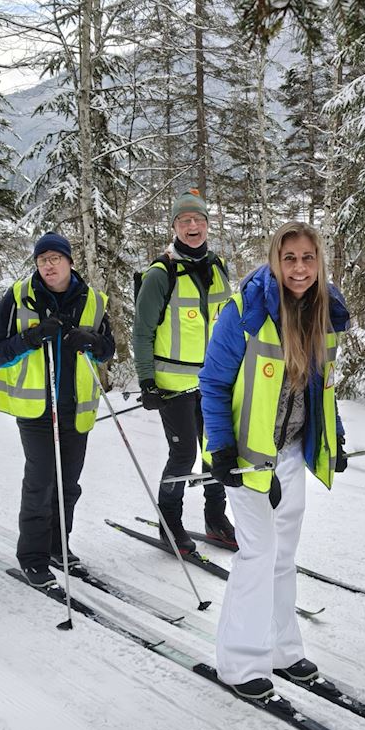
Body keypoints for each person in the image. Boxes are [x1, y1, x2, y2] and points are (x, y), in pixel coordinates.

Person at [199, 221, 350, 700]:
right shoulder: (245, 310)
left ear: (319, 261)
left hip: (290, 452)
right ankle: (240, 663)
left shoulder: (325, 311)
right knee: (259, 553)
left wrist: (334, 436)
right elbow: (213, 382)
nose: (299, 268)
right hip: (246, 455)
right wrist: (220, 447)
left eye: (308, 258)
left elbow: (322, 388)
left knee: (283, 555)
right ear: (274, 261)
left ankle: (284, 649)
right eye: (289, 258)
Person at [0, 232, 116, 588]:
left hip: (76, 410)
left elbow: (108, 349)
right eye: (42, 259)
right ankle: (32, 557)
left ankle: (58, 547)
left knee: (68, 486)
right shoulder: (18, 297)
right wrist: (29, 339)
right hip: (36, 411)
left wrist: (91, 341)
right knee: (41, 484)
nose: (48, 265)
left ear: (70, 262)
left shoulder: (92, 301)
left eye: (55, 258)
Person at [133, 190, 235, 554]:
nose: (193, 226)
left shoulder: (218, 267)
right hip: (172, 385)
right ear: (175, 226)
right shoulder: (161, 274)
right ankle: (169, 521)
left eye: (198, 220)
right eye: (184, 220)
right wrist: (147, 381)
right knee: (183, 455)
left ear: (207, 224)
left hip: (214, 382)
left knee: (216, 450)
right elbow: (142, 332)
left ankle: (215, 517)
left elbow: (230, 325)